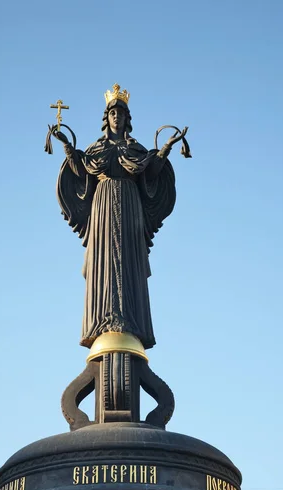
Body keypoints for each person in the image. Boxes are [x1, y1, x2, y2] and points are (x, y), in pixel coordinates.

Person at [55, 85, 183, 350]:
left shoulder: (135, 148)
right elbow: (81, 172)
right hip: (101, 208)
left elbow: (149, 175)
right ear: (107, 118)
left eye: (121, 113)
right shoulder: (96, 149)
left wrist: (165, 150)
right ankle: (103, 318)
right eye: (112, 113)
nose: (116, 117)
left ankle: (130, 319)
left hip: (130, 206)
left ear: (127, 119)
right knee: (104, 262)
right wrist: (68, 148)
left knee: (127, 261)